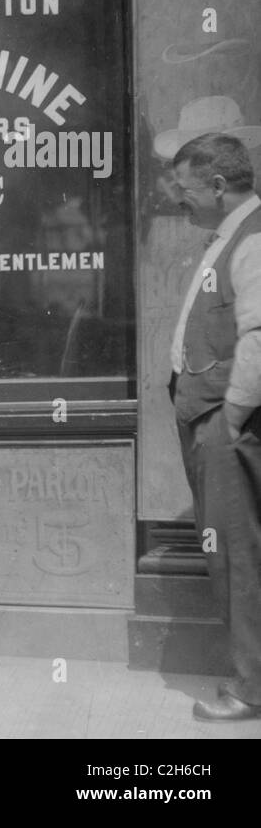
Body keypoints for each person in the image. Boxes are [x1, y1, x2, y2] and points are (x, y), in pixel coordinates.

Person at [165, 133, 261, 721]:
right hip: (213, 418)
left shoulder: (251, 242)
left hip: (226, 425)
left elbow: (259, 337)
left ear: (220, 185)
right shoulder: (229, 238)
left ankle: (250, 689)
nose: (180, 199)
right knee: (235, 553)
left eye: (186, 188)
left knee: (235, 557)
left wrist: (232, 415)